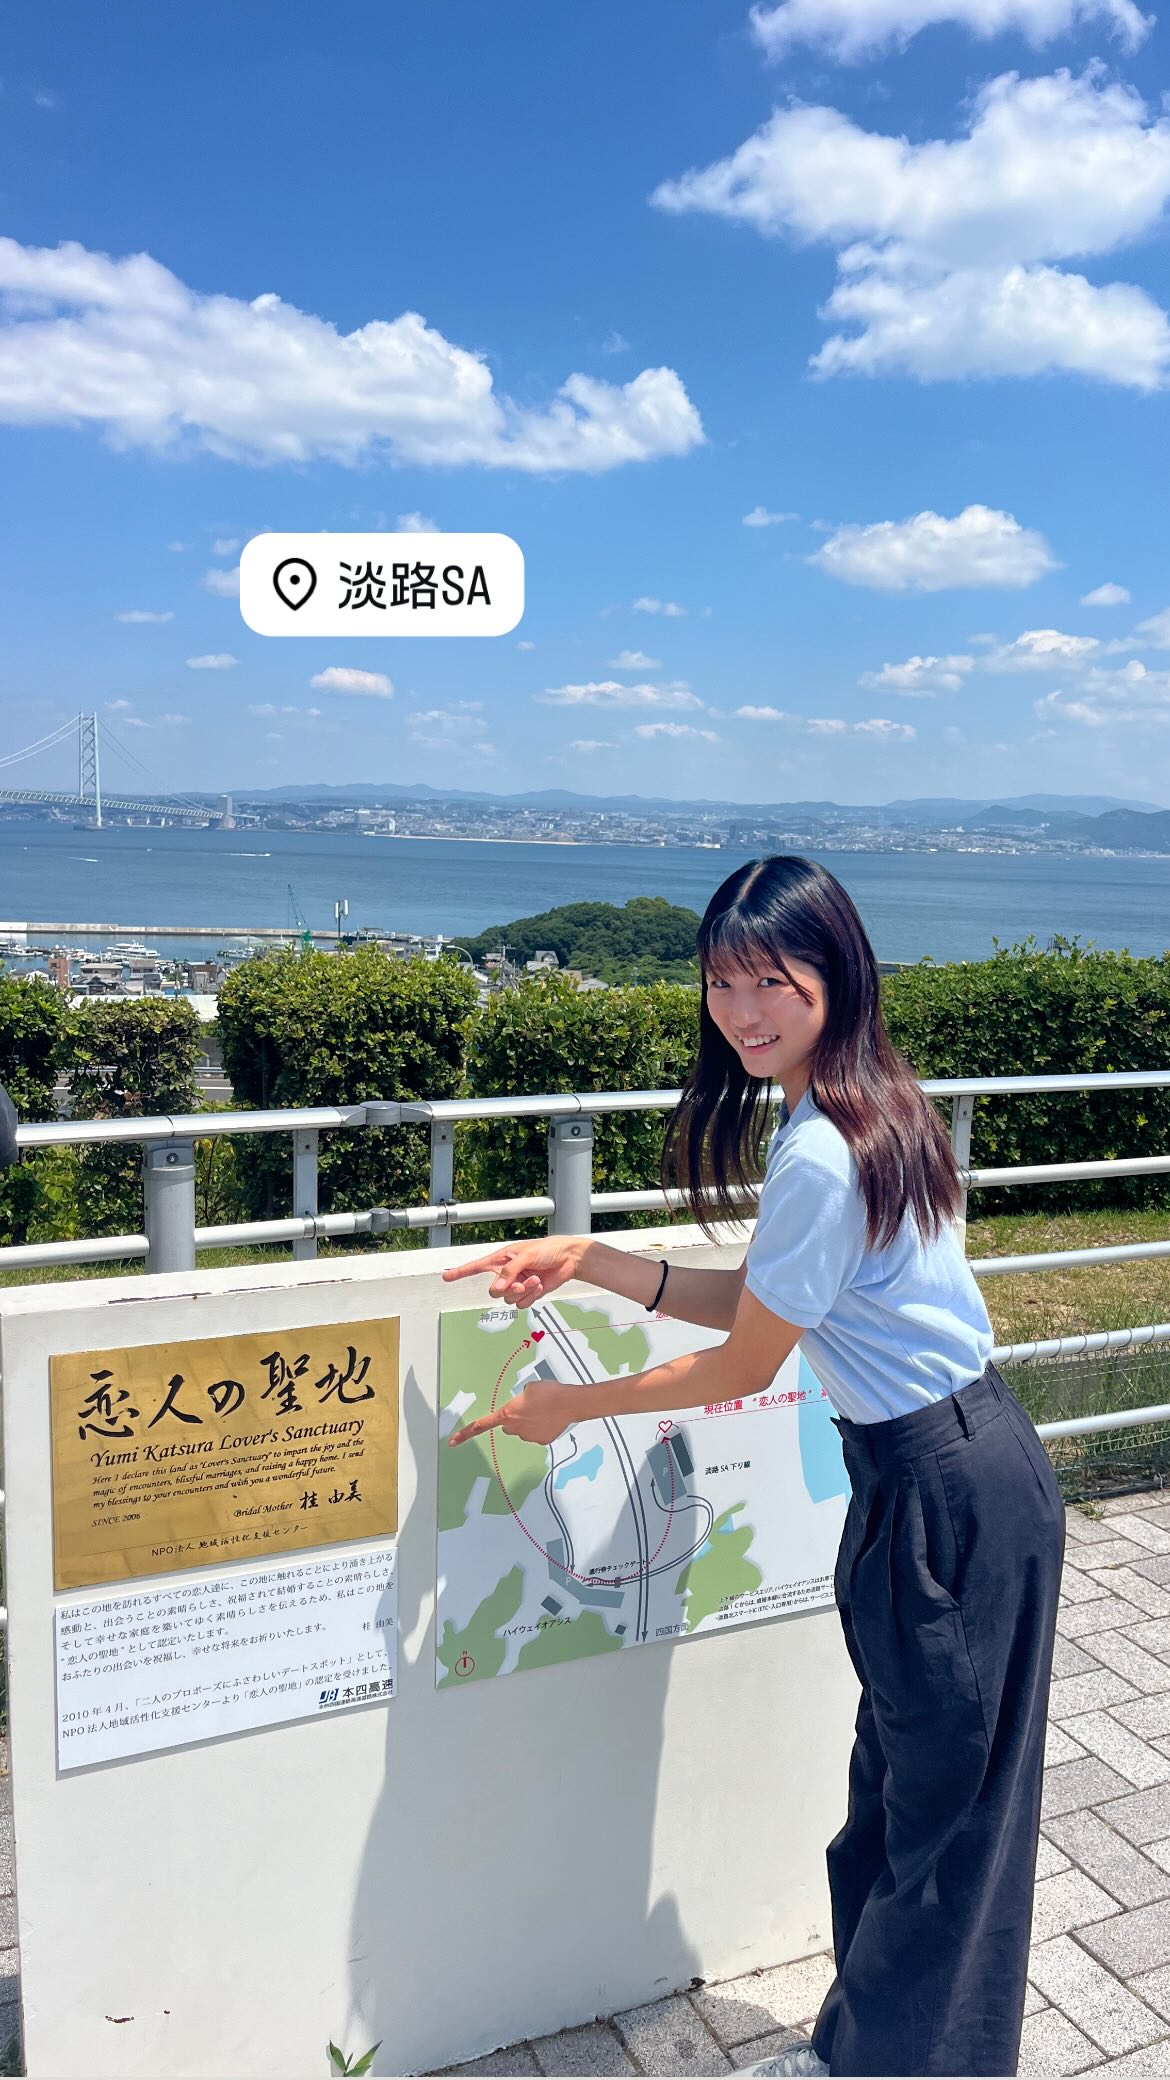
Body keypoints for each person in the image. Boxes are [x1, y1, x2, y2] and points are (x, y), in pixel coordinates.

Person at [443, 855, 1065, 2079]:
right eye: (721, 983)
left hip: (943, 1491)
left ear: (835, 974)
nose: (741, 1011)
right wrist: (593, 1258)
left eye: (771, 981)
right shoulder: (859, 1099)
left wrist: (573, 1406)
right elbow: (771, 1296)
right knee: (904, 1789)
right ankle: (862, 2049)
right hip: (943, 1476)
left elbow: (745, 1360)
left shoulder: (824, 1146)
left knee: (943, 1829)